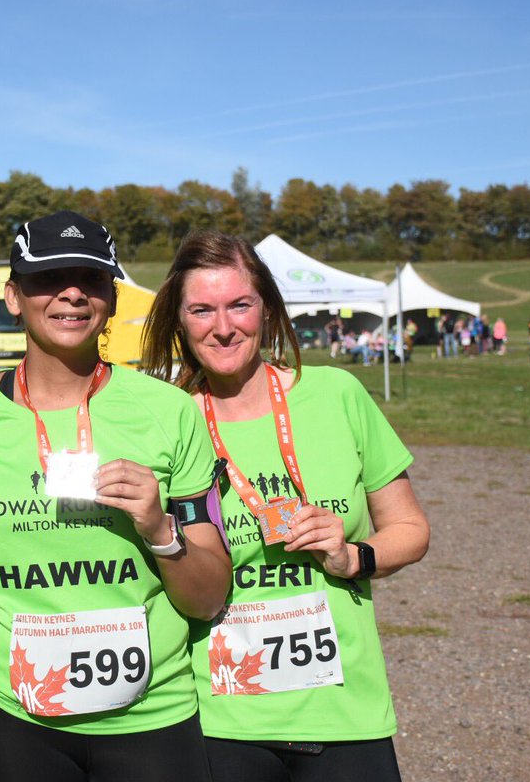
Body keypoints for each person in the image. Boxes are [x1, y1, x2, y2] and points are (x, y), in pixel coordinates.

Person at [0, 211, 231, 782]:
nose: (71, 293)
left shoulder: (170, 412)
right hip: (11, 710)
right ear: (13, 296)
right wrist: (34, 643)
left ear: (111, 299)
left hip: (149, 713)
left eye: (90, 279)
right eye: (48, 278)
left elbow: (209, 596)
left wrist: (162, 532)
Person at [142, 231, 430, 782]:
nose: (223, 327)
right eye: (202, 310)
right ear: (179, 322)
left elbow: (411, 528)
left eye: (239, 305)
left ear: (268, 310)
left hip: (345, 711)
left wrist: (353, 556)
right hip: (220, 720)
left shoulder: (337, 395)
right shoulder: (165, 420)